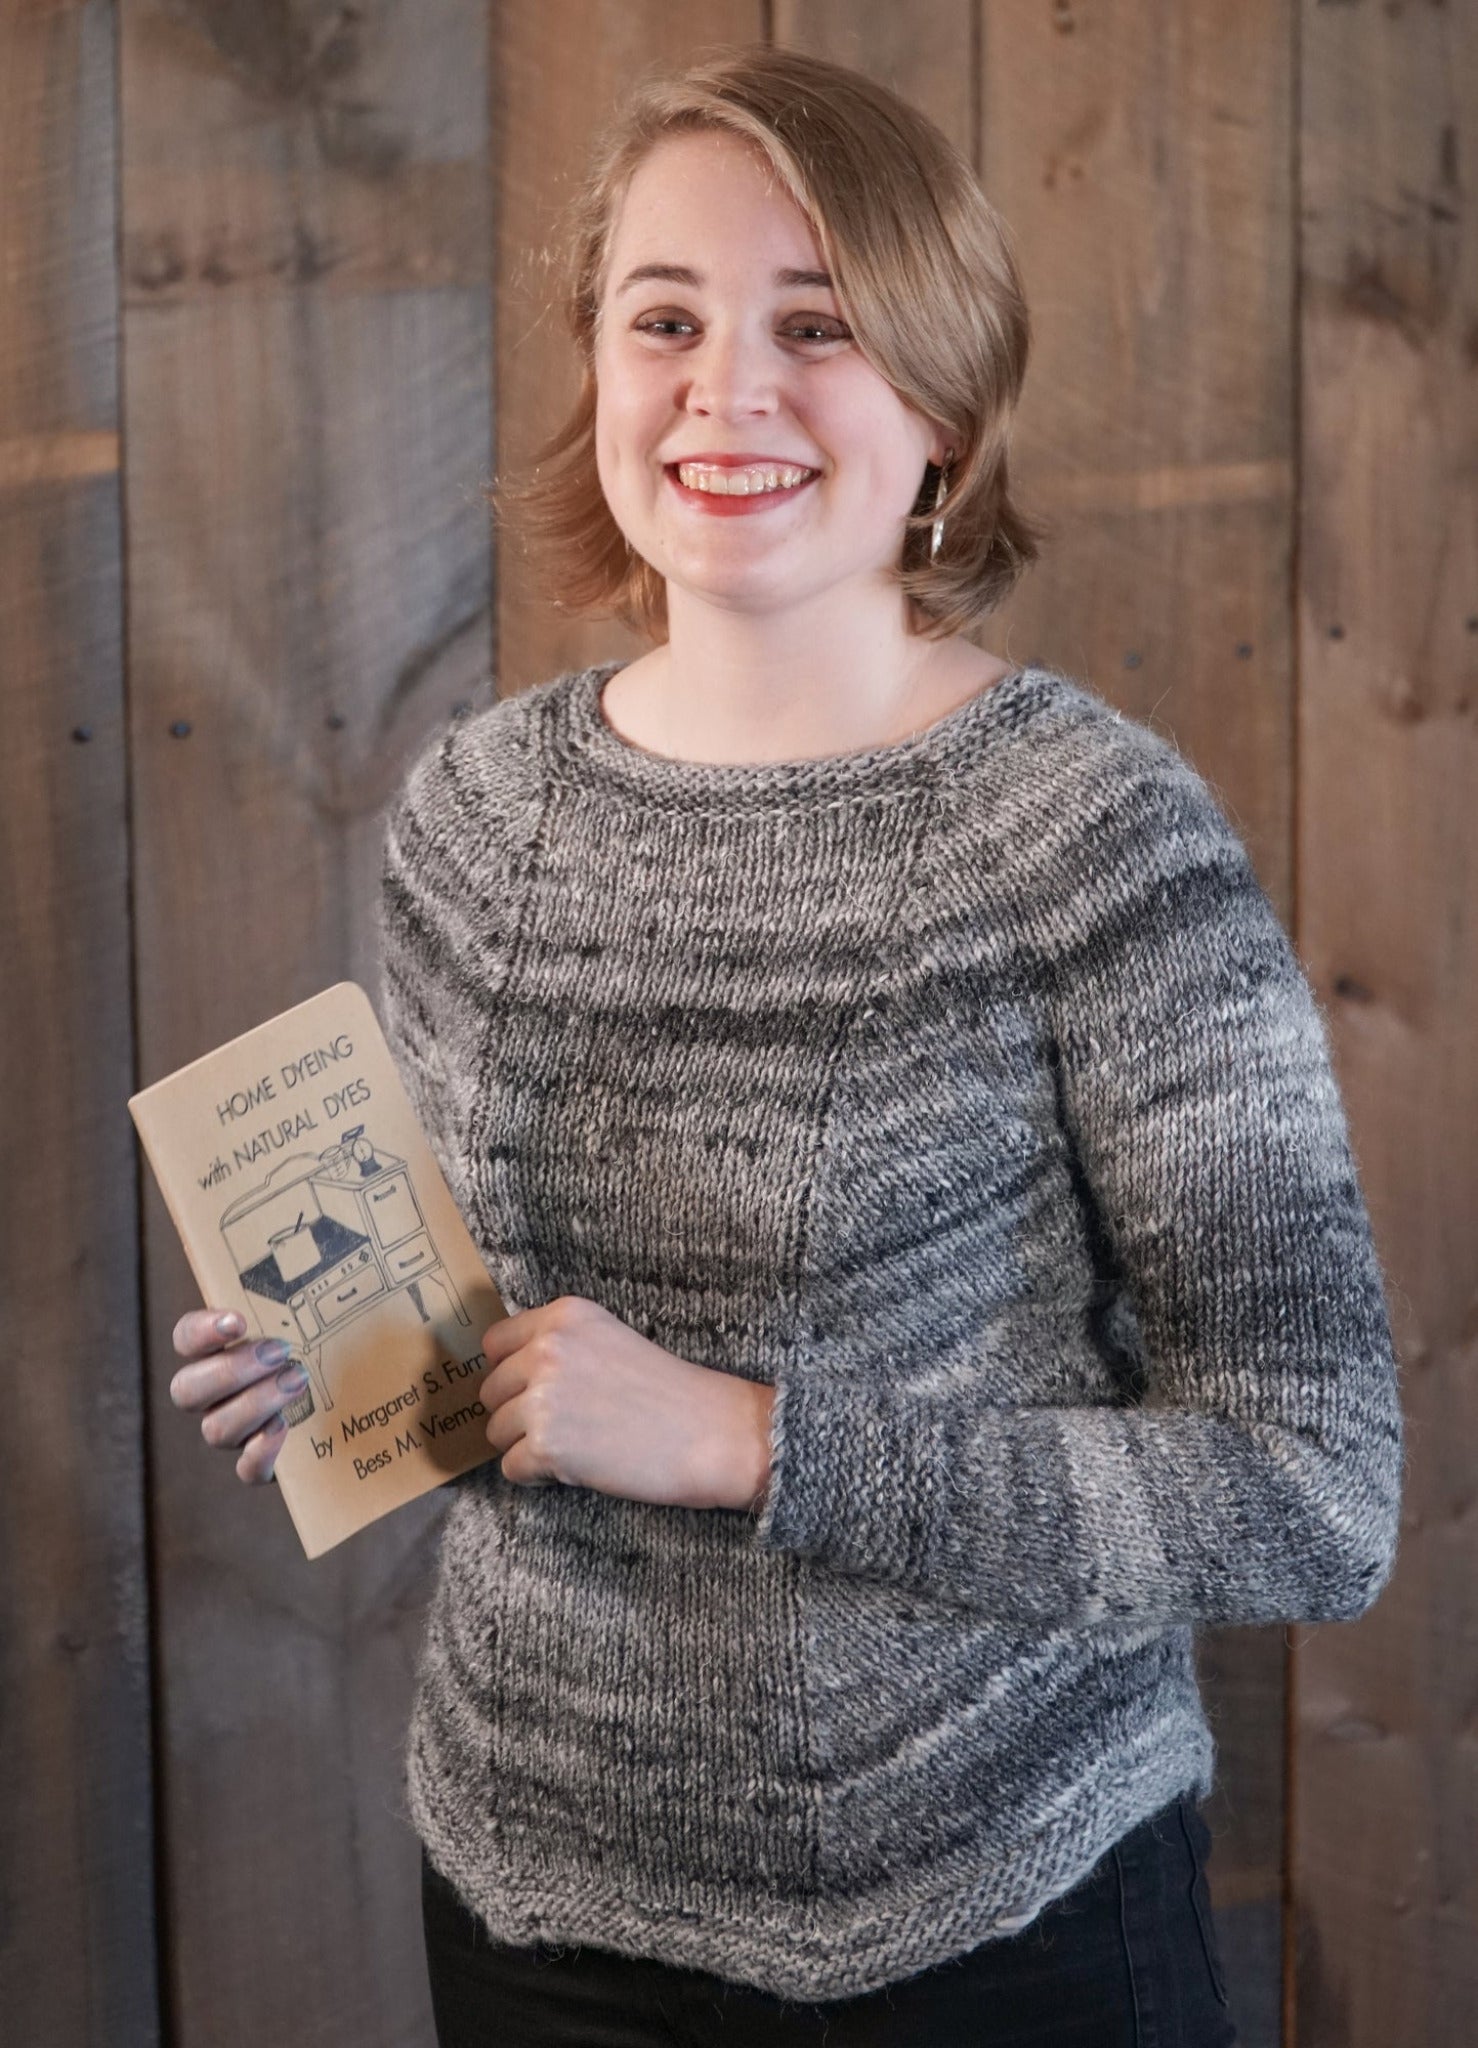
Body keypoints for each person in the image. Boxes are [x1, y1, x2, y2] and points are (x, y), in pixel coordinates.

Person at [168, 42, 1405, 2048]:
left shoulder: (1095, 839)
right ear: (597, 368)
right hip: (542, 1903)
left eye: (813, 326)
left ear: (939, 404)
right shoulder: (474, 818)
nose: (724, 389)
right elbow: (505, 1362)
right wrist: (355, 1358)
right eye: (665, 318)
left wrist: (751, 1442)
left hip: (1008, 1913)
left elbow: (1308, 1489)